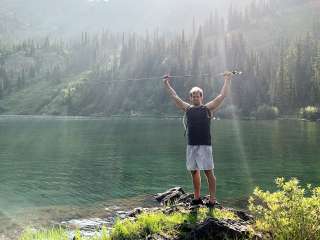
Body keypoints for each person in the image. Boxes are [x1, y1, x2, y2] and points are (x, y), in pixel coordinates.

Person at [163, 72, 233, 207]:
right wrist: (166, 84)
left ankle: (212, 200)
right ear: (190, 98)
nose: (195, 98)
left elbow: (222, 96)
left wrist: (227, 80)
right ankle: (196, 198)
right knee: (194, 172)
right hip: (191, 146)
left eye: (198, 96)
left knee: (208, 172)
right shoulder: (187, 108)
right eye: (193, 96)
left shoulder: (207, 108)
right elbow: (174, 96)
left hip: (205, 146)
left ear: (201, 97)